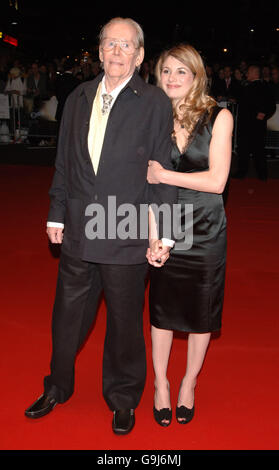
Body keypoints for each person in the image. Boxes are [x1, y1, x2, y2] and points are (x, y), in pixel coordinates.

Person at [24, 17, 176, 435]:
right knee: (67, 316)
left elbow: (161, 172)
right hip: (78, 225)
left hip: (126, 227)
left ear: (140, 55)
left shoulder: (154, 104)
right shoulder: (78, 96)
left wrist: (162, 233)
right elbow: (65, 162)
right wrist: (57, 211)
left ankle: (123, 399)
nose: (116, 52)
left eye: (126, 46)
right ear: (99, 51)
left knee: (125, 323)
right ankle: (57, 386)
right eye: (110, 44)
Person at [146, 44, 233, 426]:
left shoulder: (220, 116)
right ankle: (161, 383)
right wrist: (153, 238)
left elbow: (216, 181)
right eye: (166, 71)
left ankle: (189, 383)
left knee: (201, 313)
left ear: (196, 76)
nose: (172, 78)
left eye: (182, 71)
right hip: (163, 220)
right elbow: (143, 186)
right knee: (161, 311)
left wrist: (165, 174)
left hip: (206, 227)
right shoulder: (150, 118)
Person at [234, 64, 276, 180]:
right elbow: (238, 97)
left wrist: (264, 114)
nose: (246, 74)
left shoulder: (264, 86)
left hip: (256, 125)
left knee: (258, 151)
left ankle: (261, 174)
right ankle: (242, 172)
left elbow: (271, 105)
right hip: (245, 124)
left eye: (248, 72)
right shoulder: (246, 86)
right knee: (244, 150)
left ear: (254, 73)